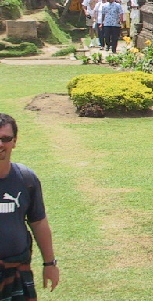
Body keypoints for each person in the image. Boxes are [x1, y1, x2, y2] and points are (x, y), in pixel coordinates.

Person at [0, 113, 60, 299]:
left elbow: (38, 222)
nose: (0, 144)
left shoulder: (26, 179)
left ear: (14, 141)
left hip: (17, 270)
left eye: (5, 139)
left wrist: (50, 264)